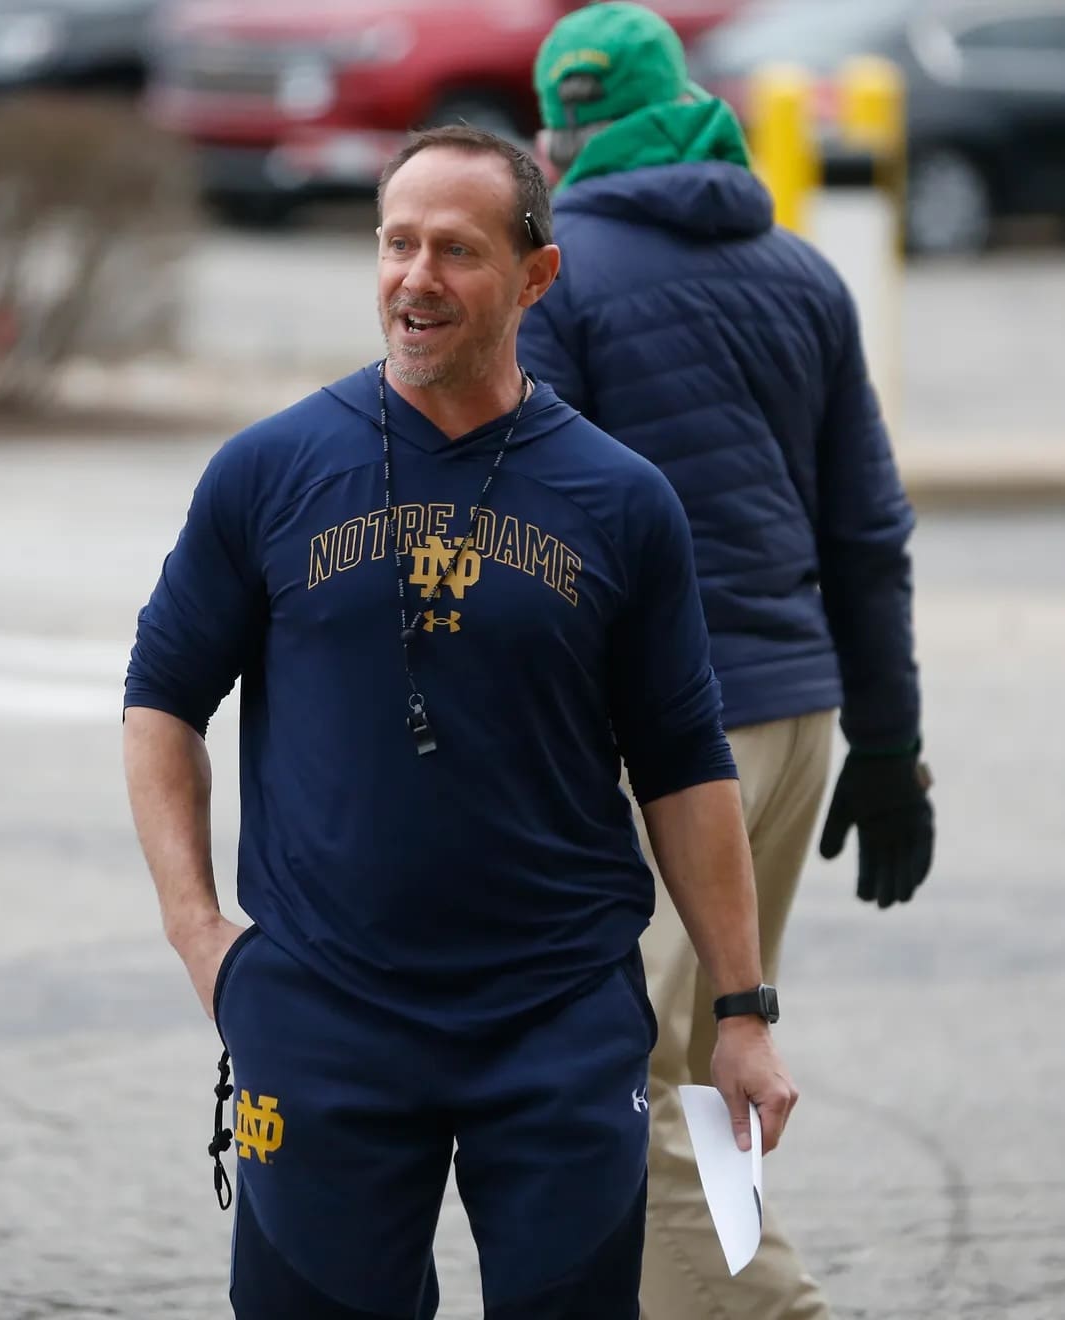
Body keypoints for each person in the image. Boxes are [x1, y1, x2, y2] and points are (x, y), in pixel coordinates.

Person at [123, 123, 797, 1320]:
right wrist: (197, 933)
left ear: (535, 274)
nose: (415, 278)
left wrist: (738, 1013)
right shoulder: (268, 470)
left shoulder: (620, 500)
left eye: (455, 250)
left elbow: (684, 766)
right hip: (323, 1017)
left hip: (555, 1024)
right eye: (395, 244)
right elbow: (163, 698)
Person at [519, 6, 936, 1320]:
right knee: (704, 1065)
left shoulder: (555, 273)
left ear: (555, 134)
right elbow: (867, 535)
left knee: (619, 1081)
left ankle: (773, 1311)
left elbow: (538, 542)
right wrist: (887, 745)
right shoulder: (803, 270)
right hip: (796, 724)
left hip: (661, 746)